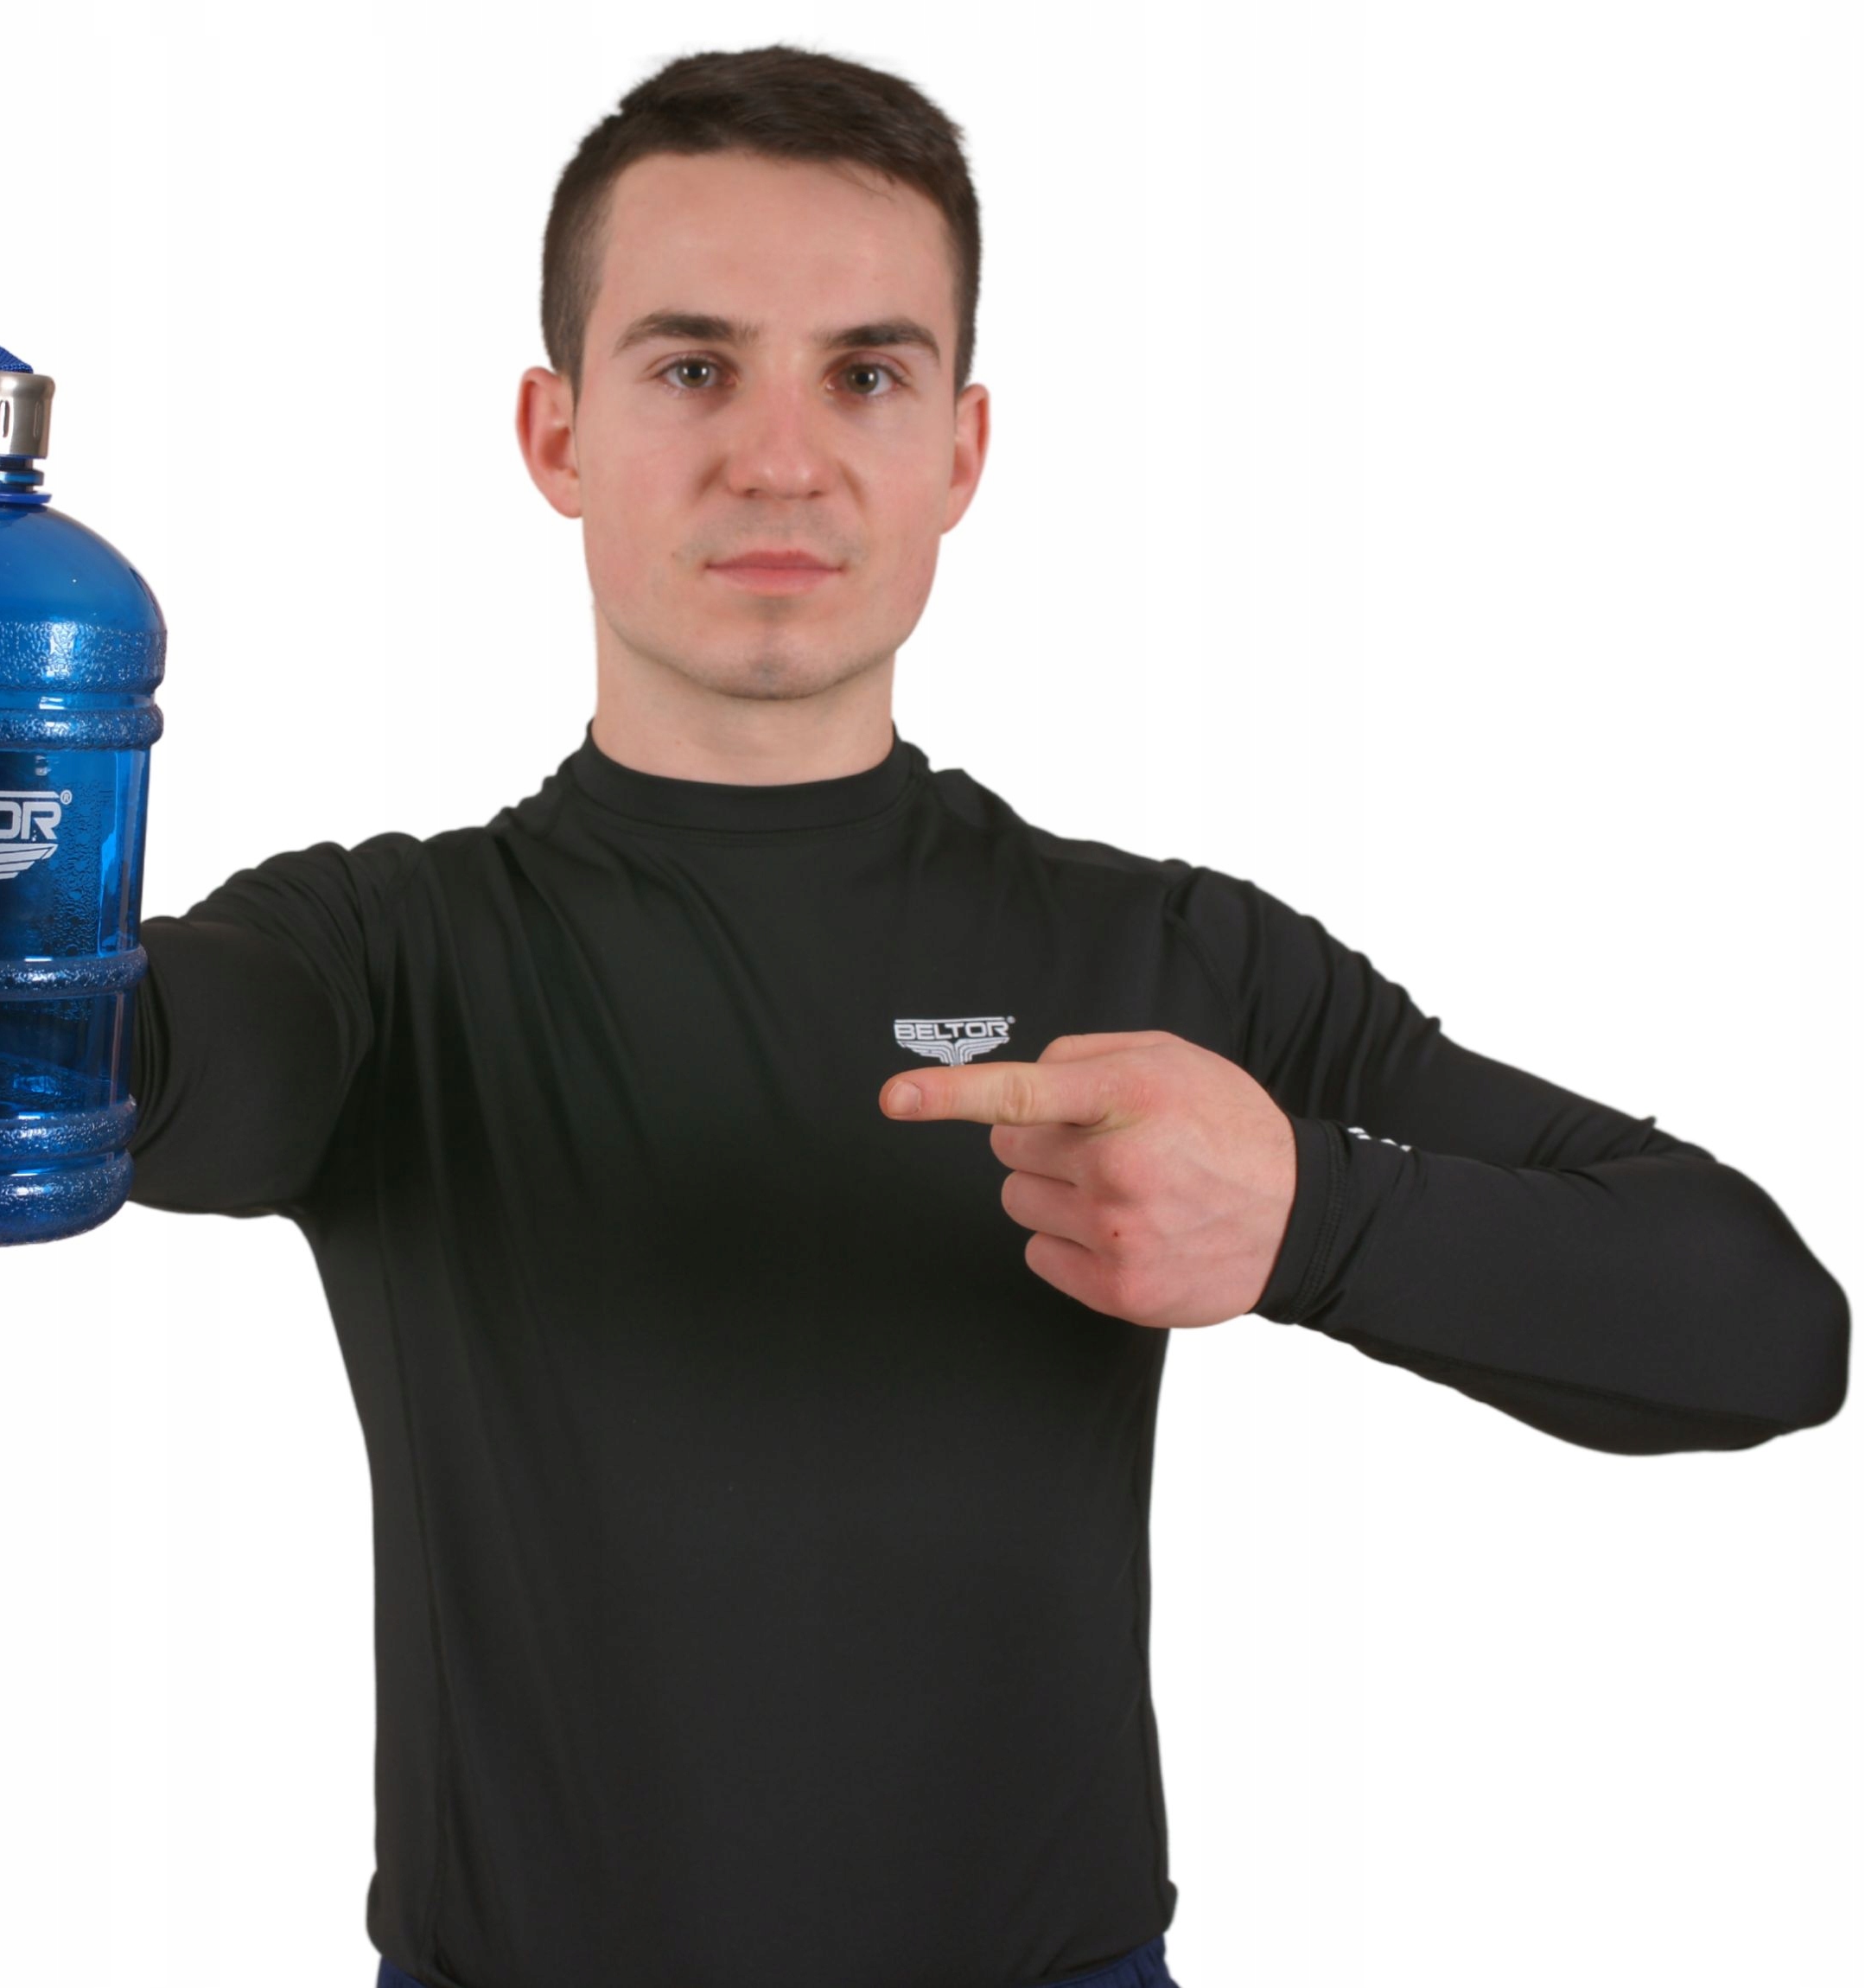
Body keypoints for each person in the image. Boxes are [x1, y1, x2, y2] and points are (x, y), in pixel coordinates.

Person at [124, 43, 1849, 1988]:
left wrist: (1310, 1216)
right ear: (557, 435)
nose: (781, 459)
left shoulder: (1163, 956)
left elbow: (1764, 1330)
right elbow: (117, 1060)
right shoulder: (377, 956)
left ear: (960, 451)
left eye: (864, 375)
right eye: (691, 368)